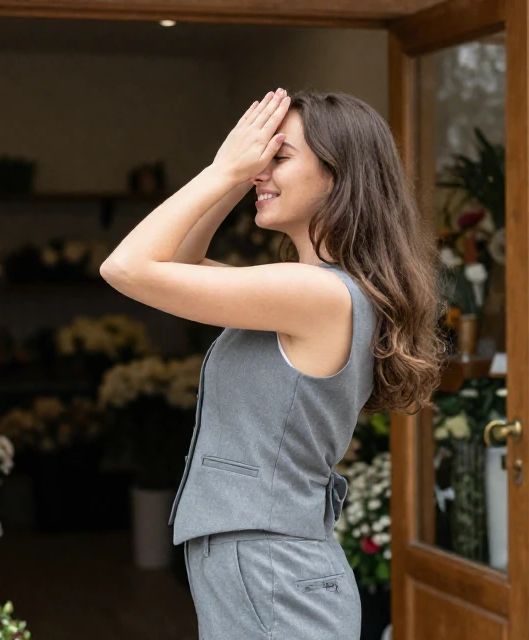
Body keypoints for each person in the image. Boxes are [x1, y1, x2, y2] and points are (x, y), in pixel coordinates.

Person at [100, 88, 443, 639]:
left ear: (338, 176)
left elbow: (127, 267)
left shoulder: (314, 293)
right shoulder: (308, 290)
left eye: (278, 158)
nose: (261, 169)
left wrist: (222, 172)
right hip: (264, 566)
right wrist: (237, 175)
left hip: (273, 571)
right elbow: (174, 260)